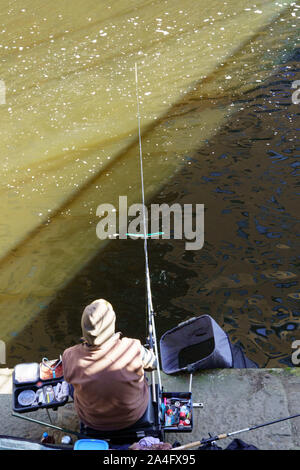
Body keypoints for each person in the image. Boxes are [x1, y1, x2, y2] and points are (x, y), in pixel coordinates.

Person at [62, 298, 157, 432]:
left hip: (92, 421)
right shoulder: (132, 347)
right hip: (133, 416)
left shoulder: (69, 355)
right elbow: (154, 364)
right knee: (142, 376)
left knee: (71, 385)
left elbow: (68, 378)